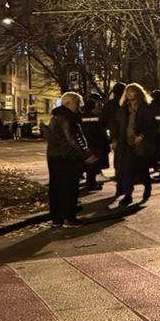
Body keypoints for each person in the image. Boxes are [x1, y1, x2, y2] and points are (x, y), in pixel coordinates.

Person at [46, 91, 96, 228]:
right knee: (70, 187)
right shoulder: (69, 118)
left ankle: (57, 219)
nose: (79, 106)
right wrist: (86, 154)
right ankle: (69, 217)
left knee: (56, 187)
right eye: (77, 103)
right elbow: (74, 139)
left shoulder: (55, 117)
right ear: (69, 103)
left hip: (54, 156)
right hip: (68, 157)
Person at [114, 82, 158, 207]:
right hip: (126, 143)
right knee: (127, 170)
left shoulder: (146, 108)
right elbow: (118, 125)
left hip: (141, 144)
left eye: (132, 91)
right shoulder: (123, 109)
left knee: (142, 169)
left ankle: (147, 186)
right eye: (127, 91)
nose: (129, 93)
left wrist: (142, 136)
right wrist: (115, 139)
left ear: (138, 93)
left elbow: (151, 125)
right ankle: (128, 195)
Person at [80, 93, 107, 190]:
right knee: (93, 165)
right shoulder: (96, 117)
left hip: (84, 143)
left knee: (87, 164)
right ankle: (91, 184)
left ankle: (89, 182)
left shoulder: (81, 116)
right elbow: (100, 131)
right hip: (95, 143)